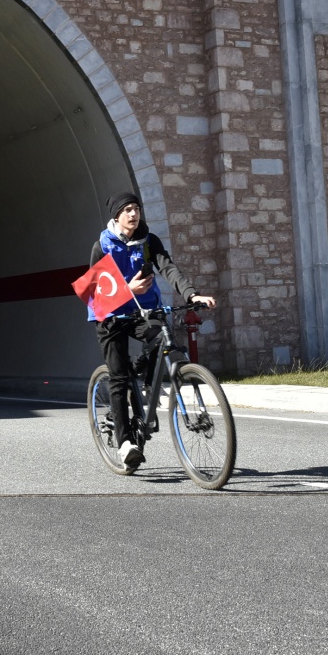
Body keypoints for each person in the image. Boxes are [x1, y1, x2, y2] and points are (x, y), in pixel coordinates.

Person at [90, 191, 216, 470]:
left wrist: (192, 295)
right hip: (110, 316)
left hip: (143, 312)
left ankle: (142, 374)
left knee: (161, 338)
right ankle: (125, 444)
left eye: (136, 209)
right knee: (119, 377)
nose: (134, 214)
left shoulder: (149, 241)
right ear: (117, 215)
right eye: (128, 210)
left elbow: (169, 268)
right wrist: (127, 290)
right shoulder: (103, 245)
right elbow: (95, 292)